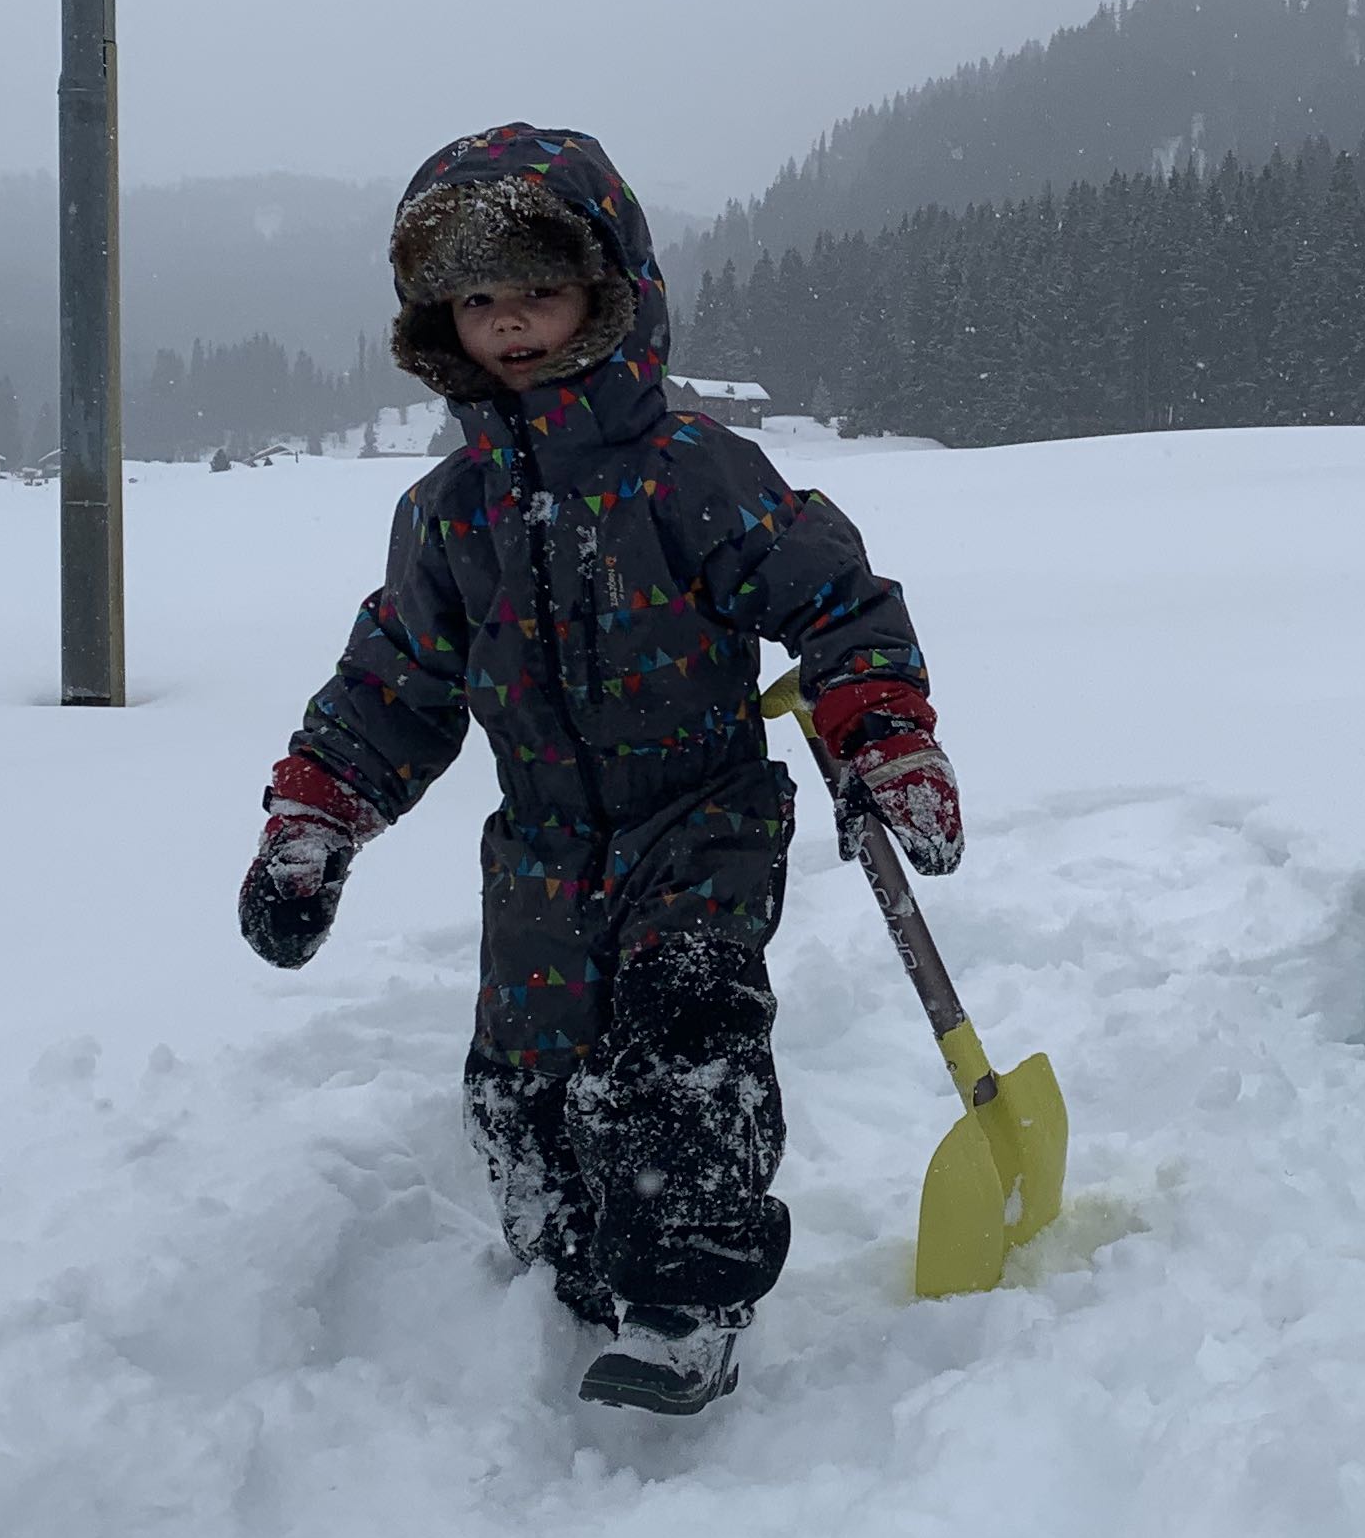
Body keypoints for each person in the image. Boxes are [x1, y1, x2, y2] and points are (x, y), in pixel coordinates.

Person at [237, 125, 959, 1413]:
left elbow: (837, 601)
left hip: (702, 821)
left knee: (685, 1047)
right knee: (525, 1086)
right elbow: (393, 683)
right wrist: (316, 818)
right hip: (541, 849)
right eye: (478, 301)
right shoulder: (448, 516)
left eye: (538, 289)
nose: (509, 324)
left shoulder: (691, 472)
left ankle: (684, 1305)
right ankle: (571, 1274)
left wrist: (883, 732)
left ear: (611, 292)